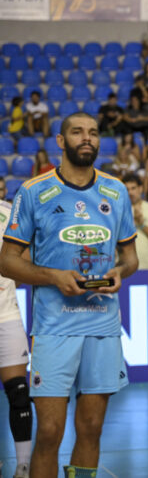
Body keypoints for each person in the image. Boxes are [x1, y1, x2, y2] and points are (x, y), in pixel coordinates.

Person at [0, 112, 138, 477]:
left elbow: (132, 259)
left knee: (91, 428)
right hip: (54, 327)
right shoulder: (33, 192)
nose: (87, 138)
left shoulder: (116, 191)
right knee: (49, 431)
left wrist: (119, 273)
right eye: (77, 132)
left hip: (103, 326)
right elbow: (7, 262)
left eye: (93, 133)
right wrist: (53, 276)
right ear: (61, 141)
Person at [0, 196, 33, 478]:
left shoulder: (9, 214)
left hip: (6, 315)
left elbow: (23, 270)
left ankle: (23, 466)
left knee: (19, 392)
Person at [122, 173, 148, 270]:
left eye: (133, 188)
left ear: (140, 188)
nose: (130, 192)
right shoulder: (118, 211)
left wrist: (141, 225)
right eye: (127, 189)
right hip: (124, 268)